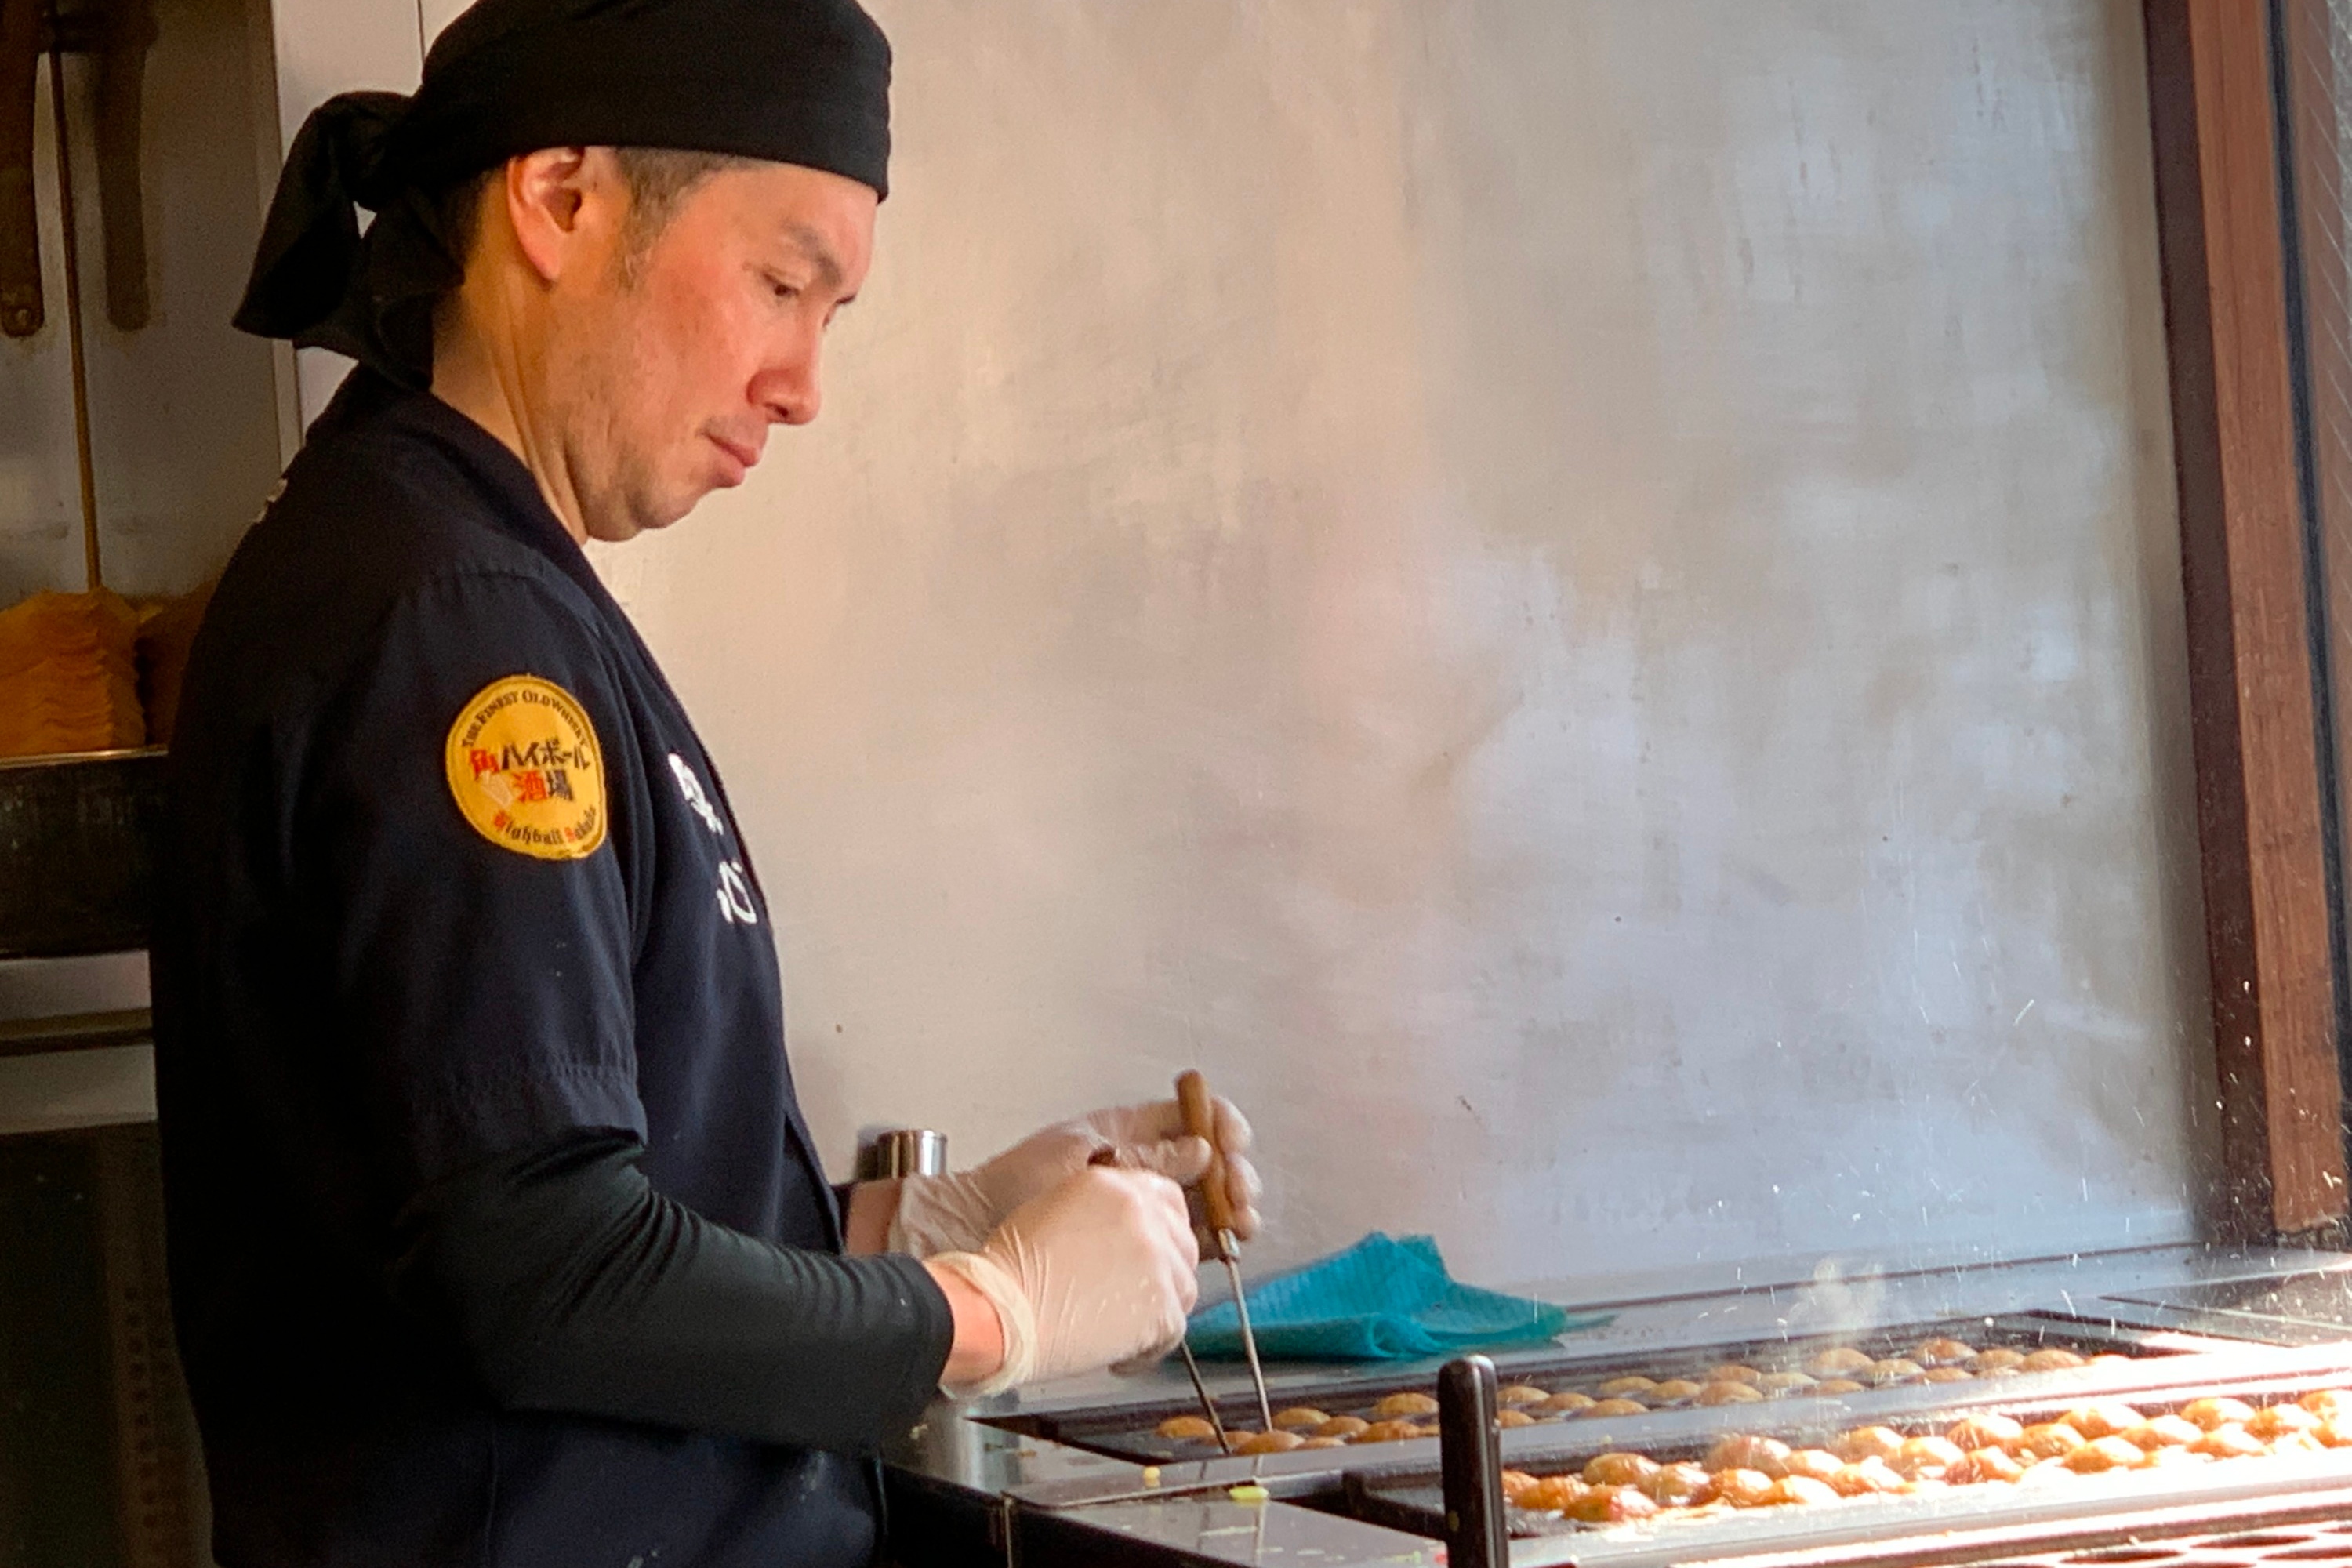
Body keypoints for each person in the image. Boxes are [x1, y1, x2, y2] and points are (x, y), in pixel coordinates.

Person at [147, 2, 1262, 1563]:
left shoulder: (462, 568)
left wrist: (907, 1229)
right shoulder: (461, 630)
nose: (803, 380)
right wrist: (986, 1311)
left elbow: (511, 1194)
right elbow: (540, 1270)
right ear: (561, 200)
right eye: (781, 281)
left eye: (835, 312)